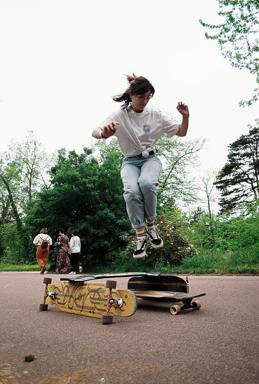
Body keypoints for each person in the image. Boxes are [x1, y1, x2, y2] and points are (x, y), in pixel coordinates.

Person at [92, 74, 189, 258]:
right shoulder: (119, 115)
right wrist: (104, 133)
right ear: (131, 96)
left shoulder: (156, 115)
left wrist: (186, 117)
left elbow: (181, 132)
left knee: (147, 183)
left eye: (147, 97)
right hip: (129, 162)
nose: (144, 101)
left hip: (150, 159)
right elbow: (94, 131)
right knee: (131, 192)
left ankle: (151, 226)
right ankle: (140, 235)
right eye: (140, 97)